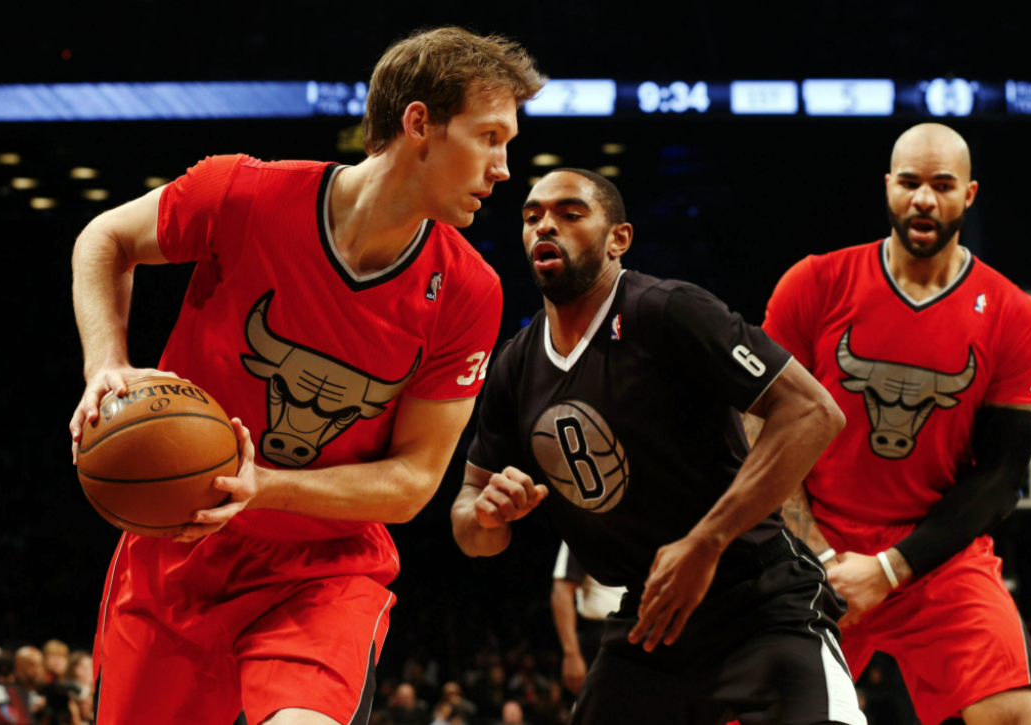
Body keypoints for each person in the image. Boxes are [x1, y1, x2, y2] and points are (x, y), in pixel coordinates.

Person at [67, 27, 544, 725]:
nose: (503, 166)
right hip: (177, 546)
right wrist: (105, 362)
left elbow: (413, 482)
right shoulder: (244, 194)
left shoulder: (470, 289)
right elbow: (103, 239)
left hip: (324, 569)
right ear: (419, 123)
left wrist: (265, 486)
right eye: (489, 136)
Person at [451, 169, 864, 724]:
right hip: (650, 616)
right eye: (532, 216)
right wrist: (485, 516)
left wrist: (706, 542)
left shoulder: (667, 310)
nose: (546, 224)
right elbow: (472, 526)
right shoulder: (514, 365)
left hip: (759, 597)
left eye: (571, 213)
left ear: (618, 238)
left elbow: (814, 412)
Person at [762, 123, 1031, 725]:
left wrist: (892, 567)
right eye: (911, 183)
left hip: (936, 552)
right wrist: (815, 550)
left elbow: (1000, 477)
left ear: (968, 196)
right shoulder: (814, 283)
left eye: (942, 185)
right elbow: (758, 429)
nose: (924, 198)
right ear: (888, 188)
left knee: (1017, 715)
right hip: (814, 544)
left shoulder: (1012, 313)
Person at [550, 541, 625, 695]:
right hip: (605, 636)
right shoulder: (584, 524)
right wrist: (571, 654)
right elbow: (562, 590)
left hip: (651, 632)